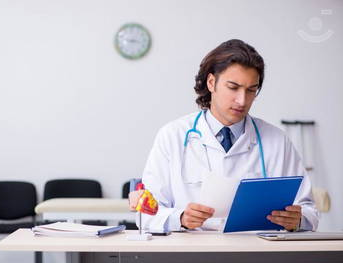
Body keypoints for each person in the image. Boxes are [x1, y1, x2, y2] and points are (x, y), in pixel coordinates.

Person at [129, 39, 319, 232]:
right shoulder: (172, 136)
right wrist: (180, 218)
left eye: (251, 90)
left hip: (256, 255)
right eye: (233, 87)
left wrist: (297, 220)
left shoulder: (277, 141)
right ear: (212, 83)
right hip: (191, 255)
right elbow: (145, 214)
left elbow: (310, 211)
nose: (242, 100)